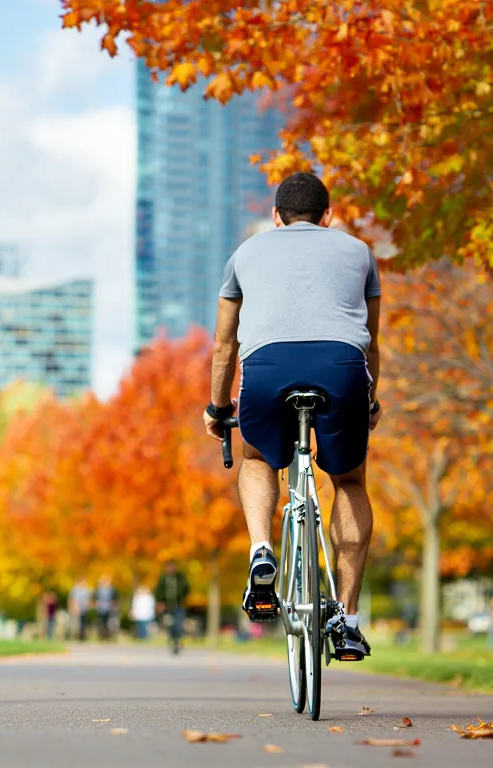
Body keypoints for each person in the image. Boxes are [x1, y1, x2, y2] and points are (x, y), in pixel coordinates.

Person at [202, 172, 381, 661]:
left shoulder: (244, 254)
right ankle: (347, 619)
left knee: (258, 456)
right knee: (348, 481)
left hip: (266, 369)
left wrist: (219, 408)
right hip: (342, 367)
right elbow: (372, 342)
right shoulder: (359, 253)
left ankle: (262, 550)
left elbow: (223, 345)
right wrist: (369, 400)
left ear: (276, 218)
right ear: (328, 216)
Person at [153, 559, 190, 654]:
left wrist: (181, 599)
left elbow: (186, 588)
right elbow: (158, 591)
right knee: (170, 625)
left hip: (178, 606)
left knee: (178, 624)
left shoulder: (180, 577)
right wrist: (160, 602)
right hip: (167, 607)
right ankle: (172, 640)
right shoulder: (163, 578)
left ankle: (177, 641)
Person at [94, 574, 117, 641]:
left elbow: (115, 599)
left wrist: (113, 605)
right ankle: (102, 636)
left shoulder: (112, 590)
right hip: (101, 609)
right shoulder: (99, 590)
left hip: (109, 609)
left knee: (110, 624)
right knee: (101, 623)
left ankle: (108, 636)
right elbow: (95, 598)